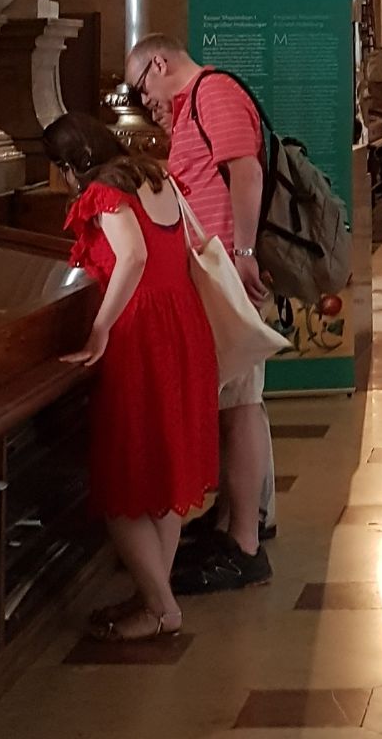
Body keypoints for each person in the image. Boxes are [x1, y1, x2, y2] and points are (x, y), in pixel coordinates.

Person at [45, 112, 218, 641]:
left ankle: (163, 609)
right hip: (181, 320)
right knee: (162, 472)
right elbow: (191, 238)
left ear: (71, 162)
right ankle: (153, 597)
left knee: (121, 480)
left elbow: (133, 257)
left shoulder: (103, 191)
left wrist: (98, 330)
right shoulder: (153, 174)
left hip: (140, 329)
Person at [124, 35, 276, 594]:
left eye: (144, 88)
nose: (148, 102)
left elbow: (246, 172)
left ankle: (244, 545)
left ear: (159, 63)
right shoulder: (193, 104)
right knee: (233, 402)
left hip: (227, 269)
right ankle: (231, 524)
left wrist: (243, 253)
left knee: (239, 405)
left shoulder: (214, 93)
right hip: (214, 268)